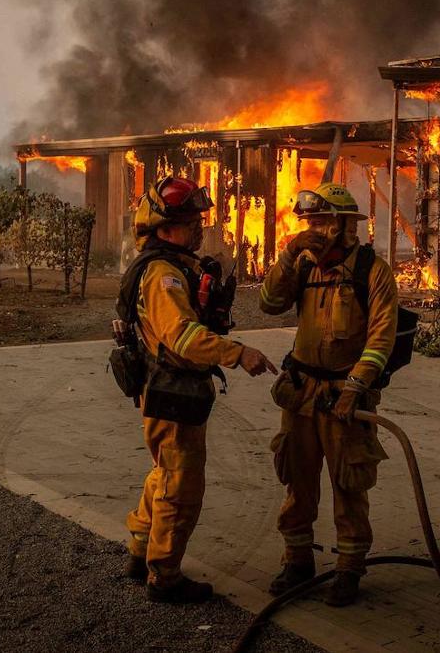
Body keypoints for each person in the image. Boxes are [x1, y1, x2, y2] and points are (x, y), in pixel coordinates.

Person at [121, 176, 276, 604]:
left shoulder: (168, 268)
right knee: (181, 488)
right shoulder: (162, 277)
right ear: (162, 227)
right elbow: (183, 338)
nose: (198, 229)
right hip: (172, 394)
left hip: (165, 391)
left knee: (163, 474)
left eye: (199, 220)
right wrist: (237, 353)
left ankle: (139, 549)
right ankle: (165, 576)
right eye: (190, 222)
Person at [258, 181, 399, 607]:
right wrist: (287, 255)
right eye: (309, 222)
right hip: (301, 393)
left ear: (343, 225)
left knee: (348, 483)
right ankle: (297, 561)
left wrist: (356, 387)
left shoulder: (372, 272)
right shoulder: (303, 266)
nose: (313, 229)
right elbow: (268, 303)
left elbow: (381, 337)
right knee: (297, 482)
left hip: (343, 397)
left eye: (321, 221)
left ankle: (349, 568)